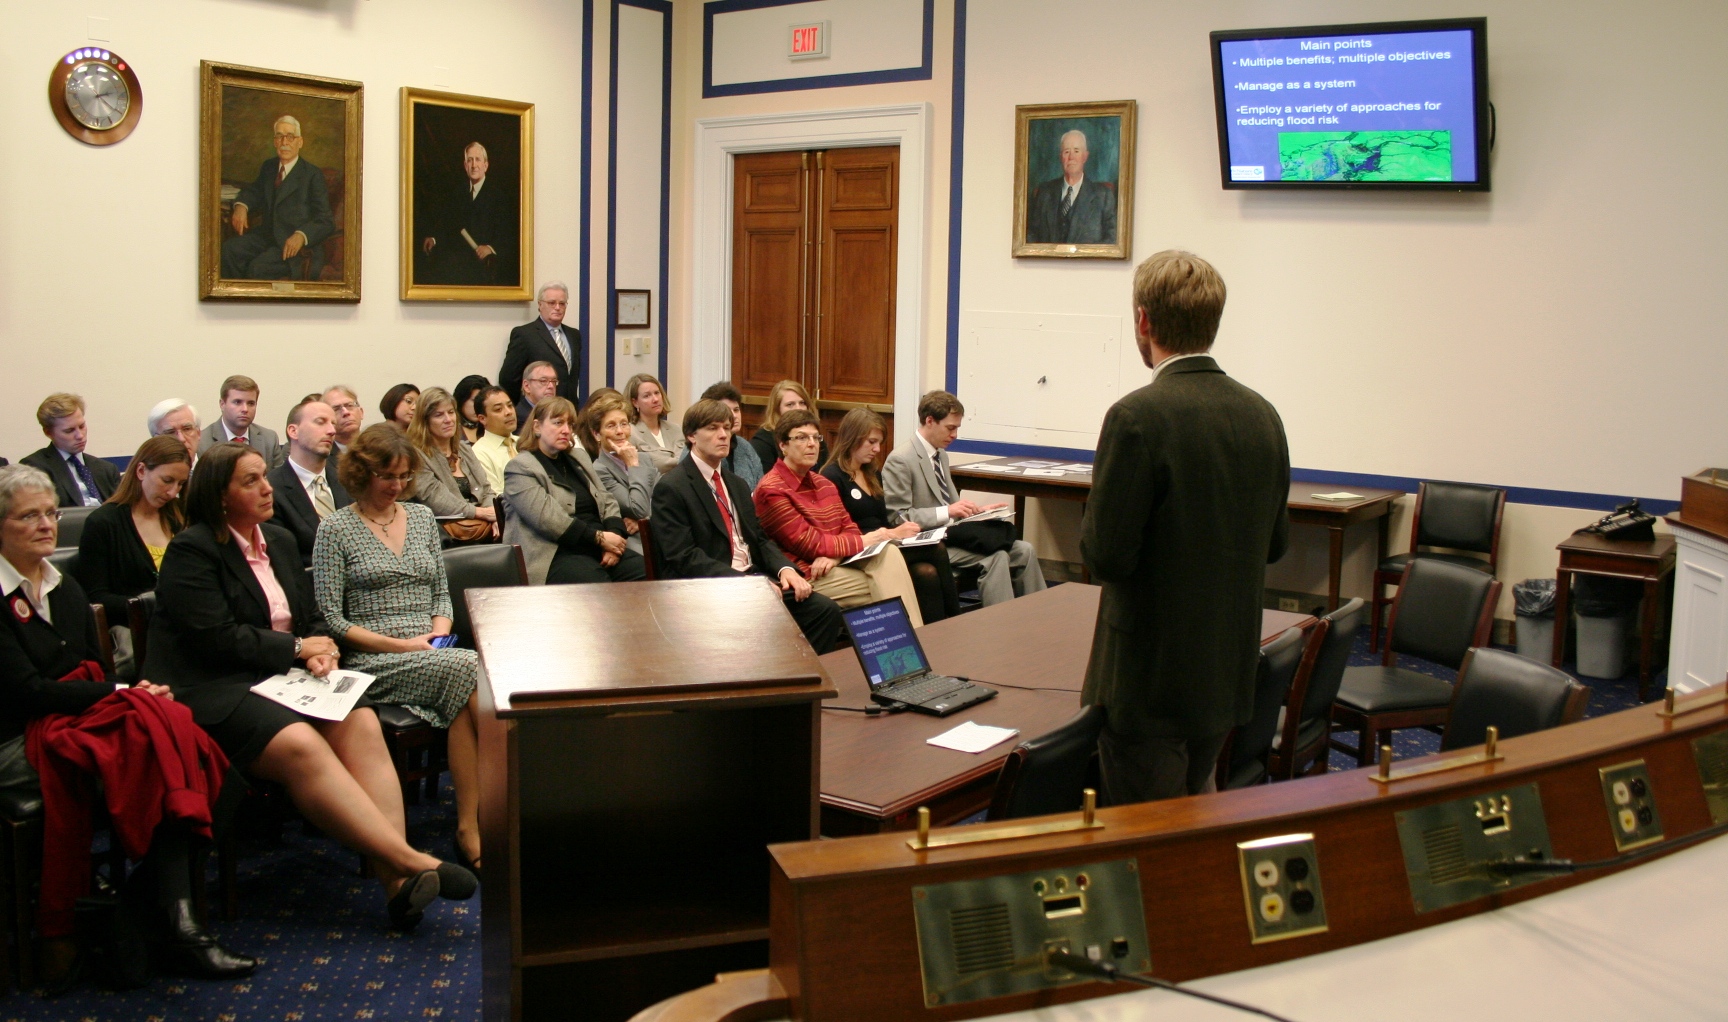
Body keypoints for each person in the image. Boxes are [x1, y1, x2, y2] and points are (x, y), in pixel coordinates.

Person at [146, 443, 476, 930]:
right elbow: (216, 638)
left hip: (286, 679)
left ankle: (397, 884)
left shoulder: (276, 541)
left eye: (264, 477)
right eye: (251, 481)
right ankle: (410, 861)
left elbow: (314, 616)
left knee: (361, 720)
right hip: (217, 688)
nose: (266, 488)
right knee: (301, 742)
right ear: (219, 496)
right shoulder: (193, 549)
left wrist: (322, 649)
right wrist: (299, 647)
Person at [0, 464, 256, 983]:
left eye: (51, 513)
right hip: (13, 736)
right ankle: (181, 930)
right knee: (161, 747)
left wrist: (128, 694)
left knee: (207, 764)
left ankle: (137, 913)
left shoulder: (62, 586)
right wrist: (123, 693)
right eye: (30, 516)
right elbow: (24, 691)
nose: (48, 524)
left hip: (79, 718)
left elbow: (89, 671)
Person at [1081, 250, 1291, 806]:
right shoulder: (1263, 414)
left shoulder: (1136, 416)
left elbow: (1106, 557)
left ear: (1144, 320)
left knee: (1146, 841)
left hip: (1147, 680)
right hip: (1226, 668)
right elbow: (1275, 544)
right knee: (1197, 813)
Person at [313, 425, 485, 871]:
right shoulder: (335, 529)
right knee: (476, 671)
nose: (397, 486)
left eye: (404, 477)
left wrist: (438, 634)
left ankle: (470, 823)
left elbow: (440, 596)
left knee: (467, 683)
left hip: (432, 647)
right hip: (374, 655)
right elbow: (334, 620)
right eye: (387, 477)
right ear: (361, 474)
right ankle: (475, 825)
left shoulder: (423, 518)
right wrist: (401, 645)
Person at [650, 400, 841, 653]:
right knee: (766, 617)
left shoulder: (736, 484)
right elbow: (683, 557)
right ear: (691, 436)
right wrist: (746, 584)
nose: (723, 435)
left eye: (727, 428)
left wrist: (785, 569)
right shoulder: (673, 487)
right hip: (710, 587)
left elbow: (759, 539)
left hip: (753, 579)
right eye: (713, 428)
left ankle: (792, 684)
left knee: (825, 612)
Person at [753, 410, 926, 624]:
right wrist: (868, 539)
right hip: (806, 574)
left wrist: (835, 557)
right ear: (782, 445)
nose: (812, 444)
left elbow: (849, 527)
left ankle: (907, 646)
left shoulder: (823, 484)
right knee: (892, 584)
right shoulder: (773, 489)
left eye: (816, 437)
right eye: (801, 438)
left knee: (889, 555)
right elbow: (810, 544)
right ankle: (913, 645)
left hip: (835, 564)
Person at [883, 391, 1047, 607]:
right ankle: (1003, 627)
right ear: (930, 421)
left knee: (1025, 550)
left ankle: (1040, 614)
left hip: (954, 535)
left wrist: (980, 512)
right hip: (929, 543)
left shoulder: (940, 454)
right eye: (951, 428)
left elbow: (951, 505)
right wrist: (948, 512)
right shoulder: (901, 460)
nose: (955, 435)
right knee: (996, 556)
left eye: (957, 428)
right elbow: (899, 517)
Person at [822, 408, 961, 623]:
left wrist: (899, 534)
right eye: (871, 442)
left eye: (879, 442)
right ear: (852, 438)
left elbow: (884, 517)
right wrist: (893, 533)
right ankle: (955, 620)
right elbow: (838, 528)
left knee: (926, 573)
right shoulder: (831, 476)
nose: (877, 449)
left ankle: (934, 636)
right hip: (859, 549)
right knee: (936, 549)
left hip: (886, 543)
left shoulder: (871, 472)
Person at [504, 399, 645, 585]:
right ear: (537, 426)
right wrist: (601, 539)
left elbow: (607, 500)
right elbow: (549, 520)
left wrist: (614, 538)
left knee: (649, 573)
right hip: (556, 552)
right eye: (558, 423)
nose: (566, 430)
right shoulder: (520, 467)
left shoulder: (577, 457)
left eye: (570, 424)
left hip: (598, 545)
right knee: (599, 588)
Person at [76, 435, 190, 631]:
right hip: (136, 630)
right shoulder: (103, 523)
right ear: (141, 470)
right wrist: (155, 606)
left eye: (180, 484)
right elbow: (97, 599)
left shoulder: (180, 516)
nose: (173, 492)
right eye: (167, 481)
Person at [221, 114, 335, 280]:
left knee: (257, 268)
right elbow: (254, 191)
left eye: (290, 137)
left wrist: (301, 235)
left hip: (293, 245)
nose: (284, 142)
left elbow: (326, 220)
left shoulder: (312, 175)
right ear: (274, 141)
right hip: (267, 236)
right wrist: (241, 205)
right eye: (279, 136)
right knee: (229, 250)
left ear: (300, 142)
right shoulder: (269, 167)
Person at [266, 396, 352, 569]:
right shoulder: (271, 489)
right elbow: (283, 560)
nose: (331, 431)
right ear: (293, 431)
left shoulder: (348, 481)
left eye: (333, 424)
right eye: (321, 422)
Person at [417, 142, 515, 286]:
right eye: (470, 160)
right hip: (459, 268)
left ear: (486, 165)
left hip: (485, 269)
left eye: (477, 159)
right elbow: (449, 225)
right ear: (465, 165)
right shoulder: (458, 193)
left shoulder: (498, 197)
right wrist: (434, 239)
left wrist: (490, 248)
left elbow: (508, 237)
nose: (474, 165)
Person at [405, 387, 498, 535]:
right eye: (439, 415)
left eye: (451, 412)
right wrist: (481, 513)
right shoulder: (416, 455)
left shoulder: (464, 449)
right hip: (447, 534)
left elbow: (486, 489)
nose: (448, 420)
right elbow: (436, 500)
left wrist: (494, 516)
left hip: (483, 526)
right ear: (425, 421)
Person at [580, 389, 657, 554]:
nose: (620, 431)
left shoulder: (645, 459)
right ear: (596, 434)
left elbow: (665, 500)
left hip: (658, 532)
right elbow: (638, 509)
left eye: (624, 424)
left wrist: (645, 522)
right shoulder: (598, 470)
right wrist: (633, 465)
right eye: (611, 425)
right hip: (633, 543)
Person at [21, 392, 119, 508]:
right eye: (69, 431)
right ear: (48, 432)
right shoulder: (35, 468)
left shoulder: (106, 469)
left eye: (82, 426)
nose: (80, 435)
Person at [1025, 129, 1118, 246]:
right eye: (1066, 152)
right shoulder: (1044, 193)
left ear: (1085, 156)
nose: (1071, 157)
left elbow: (1112, 240)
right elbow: (1031, 236)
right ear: (1061, 157)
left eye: (1076, 151)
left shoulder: (1103, 196)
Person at [499, 282, 582, 407]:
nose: (557, 307)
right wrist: (527, 407)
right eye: (552, 303)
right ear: (540, 304)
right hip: (538, 411)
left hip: (569, 409)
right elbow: (508, 379)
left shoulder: (574, 335)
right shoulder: (524, 334)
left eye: (562, 303)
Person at [678, 381, 763, 489]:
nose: (734, 416)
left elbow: (760, 486)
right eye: (726, 410)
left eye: (736, 410)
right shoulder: (694, 449)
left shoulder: (745, 447)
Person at [198, 375, 284, 468]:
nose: (245, 409)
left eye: (251, 403)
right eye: (237, 402)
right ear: (222, 404)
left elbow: (278, 480)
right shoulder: (201, 442)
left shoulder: (269, 439)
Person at [748, 379, 827, 474]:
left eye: (802, 403)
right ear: (777, 410)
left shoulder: (814, 436)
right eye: (790, 404)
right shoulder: (762, 443)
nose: (798, 408)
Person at [624, 373, 684, 475]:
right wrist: (681, 462)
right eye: (647, 396)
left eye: (657, 393)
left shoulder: (676, 429)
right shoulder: (630, 433)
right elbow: (647, 466)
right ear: (635, 402)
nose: (655, 399)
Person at [469, 386, 519, 496]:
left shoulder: (526, 443)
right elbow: (496, 497)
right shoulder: (478, 453)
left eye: (510, 406)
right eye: (498, 409)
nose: (508, 412)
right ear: (482, 418)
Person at [148, 398, 203, 462]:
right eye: (170, 432)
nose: (181, 439)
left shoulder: (212, 469)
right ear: (156, 440)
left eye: (187, 429)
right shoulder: (149, 471)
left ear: (198, 433)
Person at [323, 385, 365, 452]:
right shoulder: (321, 455)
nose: (346, 412)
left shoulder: (378, 449)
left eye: (349, 405)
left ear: (361, 412)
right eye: (336, 409)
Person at [452, 375, 492, 445]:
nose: (479, 406)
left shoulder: (492, 427)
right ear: (461, 400)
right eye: (474, 400)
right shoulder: (450, 429)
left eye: (484, 401)